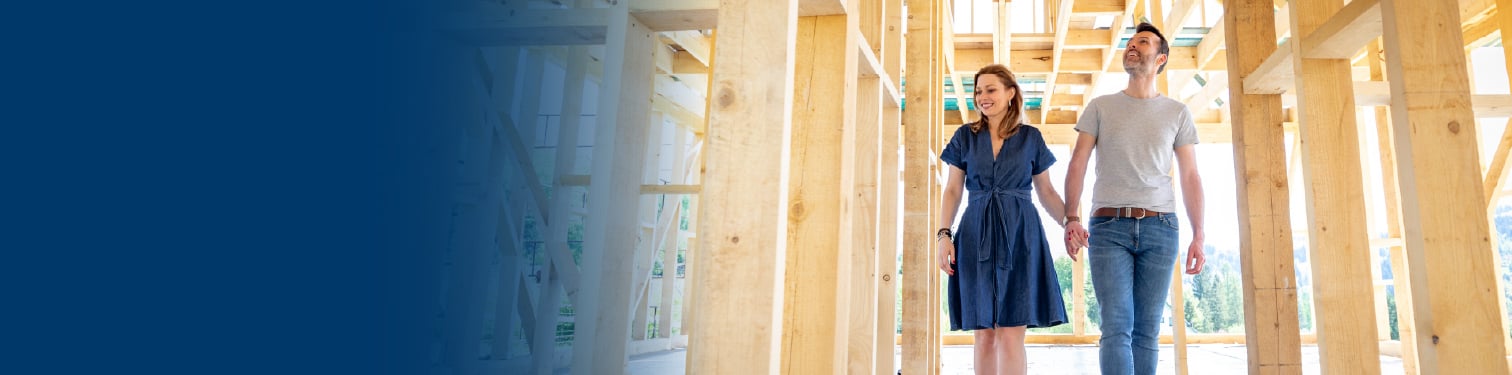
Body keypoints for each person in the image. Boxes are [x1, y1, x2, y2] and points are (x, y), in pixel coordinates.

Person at [1061, 22, 1207, 375]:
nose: (1132, 47)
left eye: (1142, 42)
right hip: (1108, 227)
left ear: (1160, 58)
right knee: (1115, 328)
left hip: (1162, 228)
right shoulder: (1100, 107)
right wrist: (1071, 217)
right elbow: (1078, 162)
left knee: (1147, 330)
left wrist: (1198, 235)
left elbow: (1189, 175)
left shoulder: (1177, 112)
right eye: (1129, 43)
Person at [936, 64, 1069, 375]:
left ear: (1011, 93)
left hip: (1021, 235)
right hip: (974, 233)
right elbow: (953, 190)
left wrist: (1071, 222)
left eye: (990, 89)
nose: (983, 97)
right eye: (978, 91)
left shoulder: (1030, 138)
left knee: (1011, 333)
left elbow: (1047, 191)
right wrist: (943, 235)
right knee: (983, 333)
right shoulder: (964, 137)